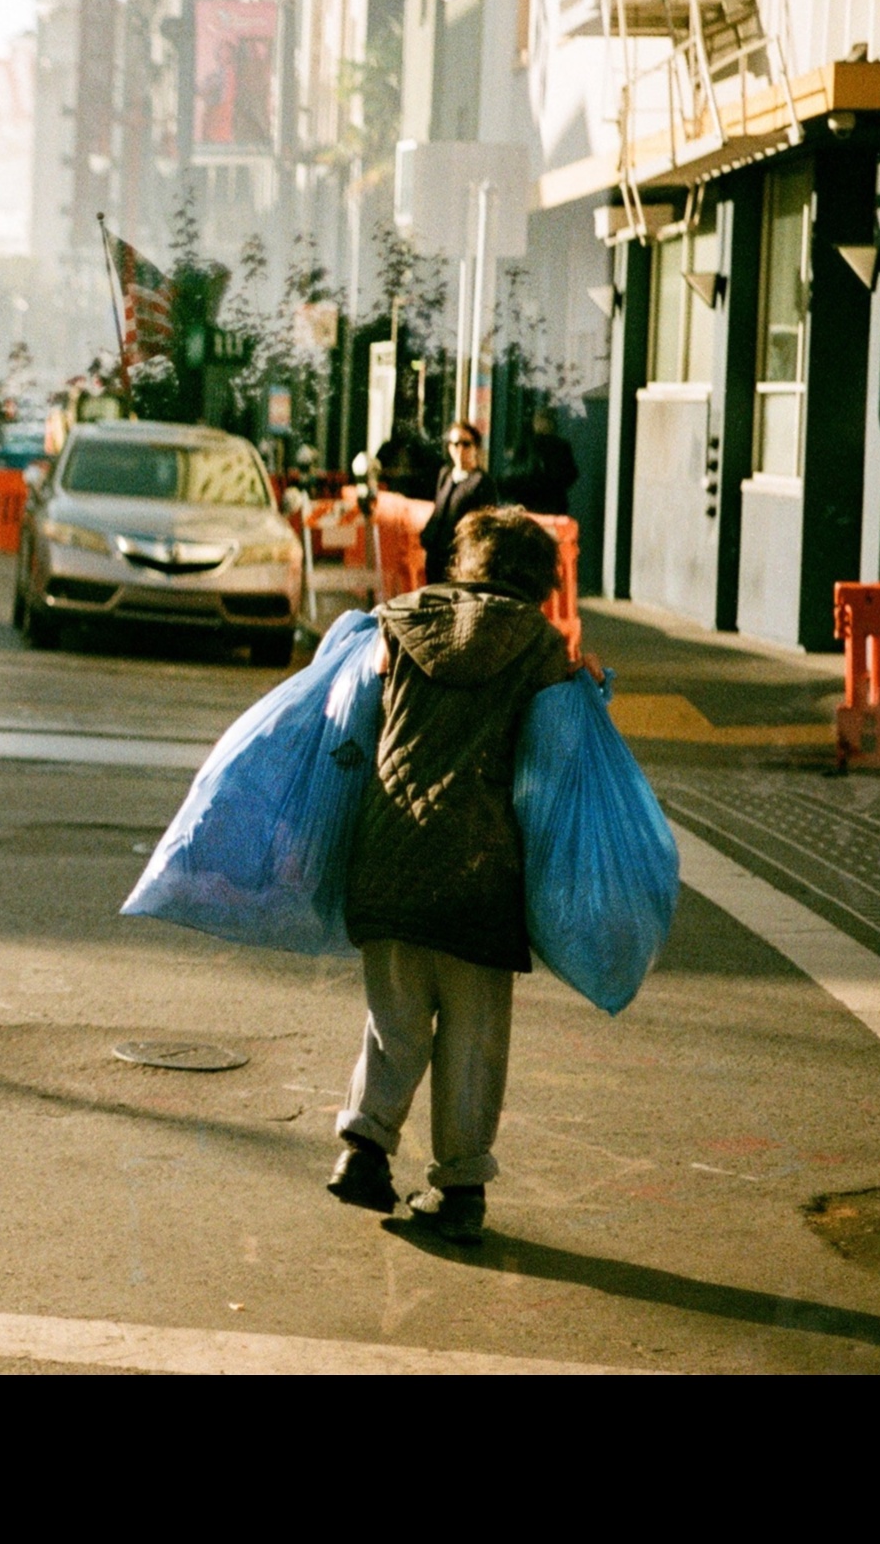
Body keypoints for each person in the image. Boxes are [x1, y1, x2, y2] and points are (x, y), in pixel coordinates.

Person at [327, 504, 584, 1244]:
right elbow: (558, 756)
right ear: (538, 580)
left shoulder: (399, 620)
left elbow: (359, 712)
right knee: (473, 1032)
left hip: (390, 848)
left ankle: (364, 1155)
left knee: (395, 1014)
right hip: (480, 864)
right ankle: (462, 1193)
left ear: (465, 563)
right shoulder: (540, 645)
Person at [418, 420, 498, 579]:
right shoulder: (446, 474)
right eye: (455, 444)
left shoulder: (482, 481)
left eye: (466, 444)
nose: (460, 449)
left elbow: (484, 524)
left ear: (476, 447)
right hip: (435, 555)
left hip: (460, 557)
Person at [509, 408, 579, 516]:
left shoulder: (526, 445)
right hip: (548, 502)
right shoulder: (561, 446)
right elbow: (571, 474)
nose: (541, 423)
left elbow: (514, 472)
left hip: (533, 501)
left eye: (543, 420)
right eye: (539, 420)